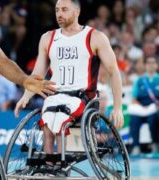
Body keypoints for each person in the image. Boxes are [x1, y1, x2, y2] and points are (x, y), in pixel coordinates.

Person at [14, 0, 124, 156]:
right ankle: (50, 163)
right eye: (57, 10)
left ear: (77, 11)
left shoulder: (95, 37)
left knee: (59, 120)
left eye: (64, 9)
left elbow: (114, 71)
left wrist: (118, 107)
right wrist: (26, 96)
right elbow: (38, 73)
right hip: (56, 95)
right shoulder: (48, 38)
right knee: (46, 122)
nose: (59, 13)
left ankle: (60, 163)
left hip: (82, 97)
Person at [129, 56, 159, 155]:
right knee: (134, 119)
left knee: (153, 119)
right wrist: (142, 107)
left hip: (155, 109)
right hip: (141, 108)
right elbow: (133, 98)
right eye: (149, 63)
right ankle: (136, 146)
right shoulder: (139, 80)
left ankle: (155, 144)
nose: (151, 65)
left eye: (153, 62)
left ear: (156, 65)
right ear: (145, 66)